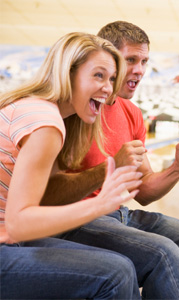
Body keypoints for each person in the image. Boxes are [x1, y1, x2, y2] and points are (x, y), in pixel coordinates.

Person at [41, 21, 179, 299]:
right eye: (131, 60)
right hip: (77, 220)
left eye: (144, 61)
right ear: (107, 58)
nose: (140, 70)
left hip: (122, 215)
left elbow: (144, 192)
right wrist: (111, 166)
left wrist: (177, 169)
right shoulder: (74, 109)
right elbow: (48, 195)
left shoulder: (132, 113)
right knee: (163, 254)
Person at [0, 32, 142, 299]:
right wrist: (101, 204)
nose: (109, 88)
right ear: (68, 73)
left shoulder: (43, 111)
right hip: (7, 243)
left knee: (122, 265)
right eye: (98, 75)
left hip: (9, 240)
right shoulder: (46, 124)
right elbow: (18, 223)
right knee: (116, 273)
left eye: (111, 78)